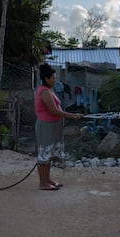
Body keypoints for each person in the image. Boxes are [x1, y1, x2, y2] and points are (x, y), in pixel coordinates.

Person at [34, 63, 83, 191]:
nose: (55, 80)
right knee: (44, 154)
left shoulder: (49, 90)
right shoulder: (44, 92)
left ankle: (47, 179)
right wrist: (72, 116)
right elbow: (54, 111)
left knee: (49, 154)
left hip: (53, 126)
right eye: (53, 78)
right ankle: (42, 183)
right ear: (46, 79)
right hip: (46, 126)